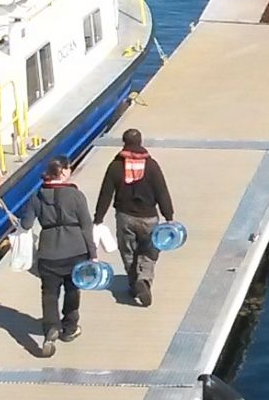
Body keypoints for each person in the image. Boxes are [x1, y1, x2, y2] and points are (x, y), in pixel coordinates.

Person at [18, 157, 98, 354]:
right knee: (72, 289)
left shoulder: (37, 196)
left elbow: (27, 224)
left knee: (50, 293)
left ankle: (51, 327)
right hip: (76, 251)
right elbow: (87, 226)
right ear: (63, 172)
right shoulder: (75, 195)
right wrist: (93, 254)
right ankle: (70, 328)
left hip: (48, 253)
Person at [93, 128, 176, 307]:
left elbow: (105, 194)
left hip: (125, 217)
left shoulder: (116, 165)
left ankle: (133, 283)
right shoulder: (151, 166)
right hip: (149, 218)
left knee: (128, 251)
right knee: (150, 251)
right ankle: (144, 280)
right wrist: (169, 216)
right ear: (140, 142)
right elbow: (162, 192)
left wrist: (98, 218)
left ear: (123, 142)